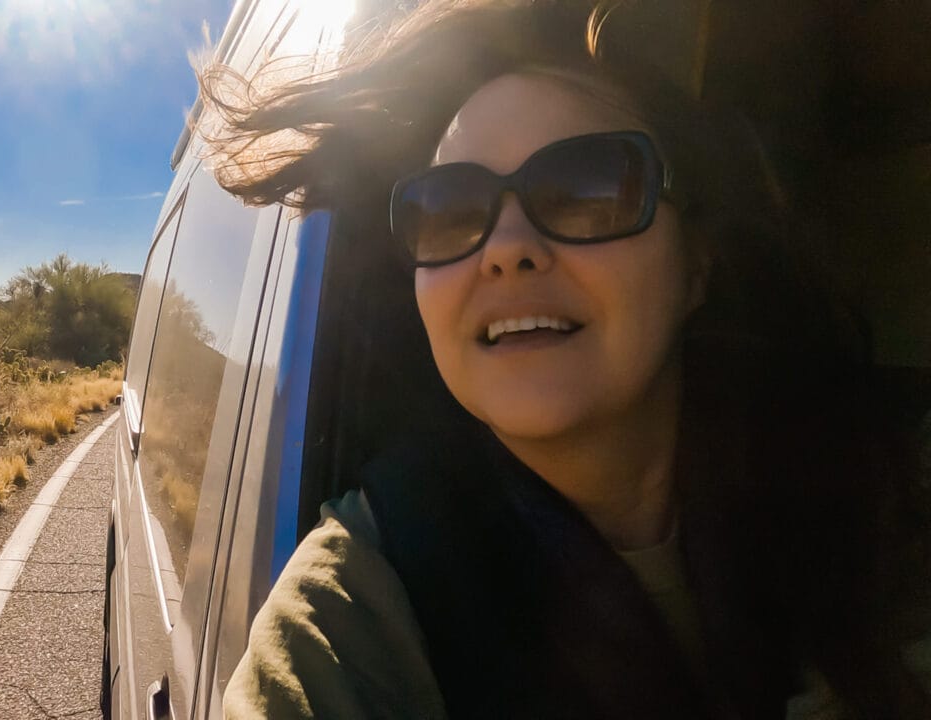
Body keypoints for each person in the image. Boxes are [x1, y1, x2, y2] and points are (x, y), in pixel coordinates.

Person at [198, 1, 931, 717]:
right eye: (450, 209)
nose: (508, 247)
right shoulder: (347, 620)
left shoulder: (872, 506)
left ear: (697, 267)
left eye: (588, 191)